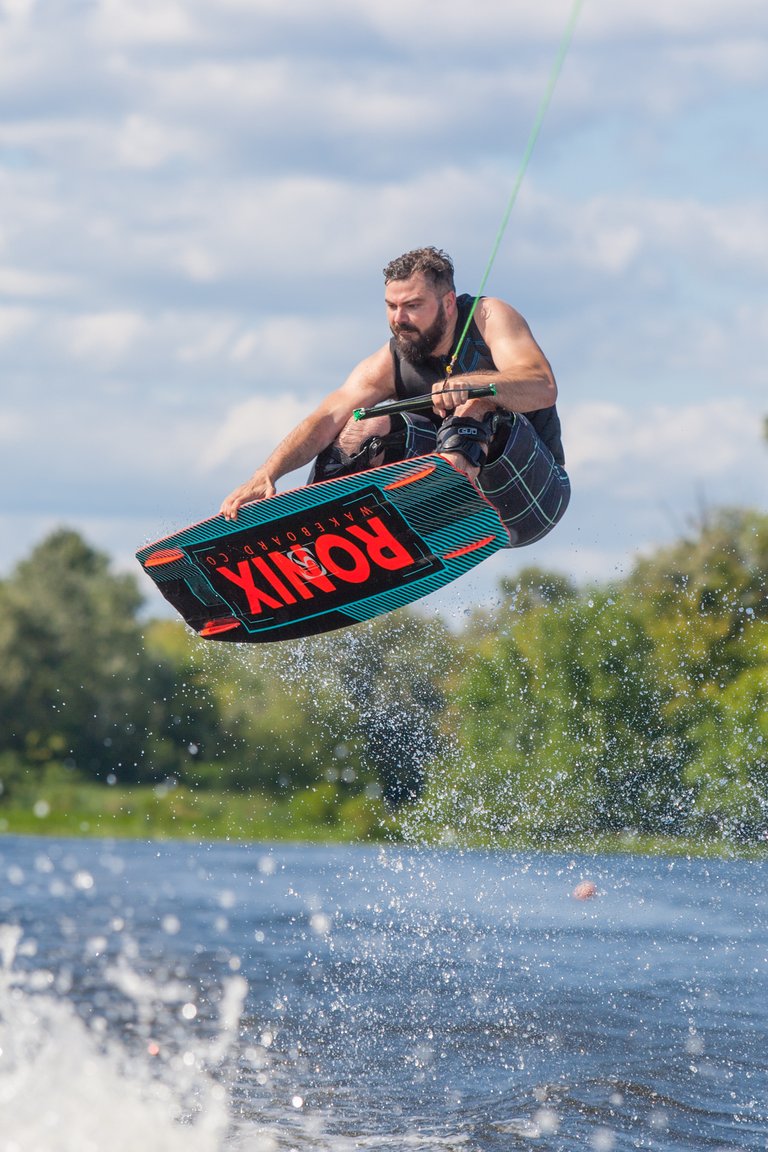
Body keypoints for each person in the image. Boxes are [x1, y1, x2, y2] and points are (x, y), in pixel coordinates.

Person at [220, 247, 570, 546]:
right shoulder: (393, 360)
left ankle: (448, 500)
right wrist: (268, 473)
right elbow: (326, 418)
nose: (399, 319)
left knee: (475, 404)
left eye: (413, 306)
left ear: (448, 304)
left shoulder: (489, 317)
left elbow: (543, 385)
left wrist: (476, 385)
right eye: (391, 306)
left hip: (533, 492)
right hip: (453, 496)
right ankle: (318, 535)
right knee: (359, 427)